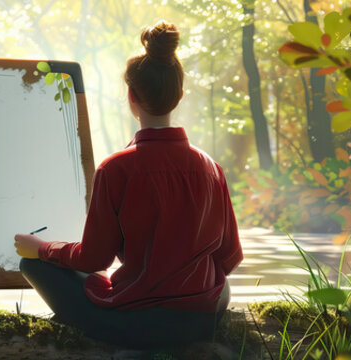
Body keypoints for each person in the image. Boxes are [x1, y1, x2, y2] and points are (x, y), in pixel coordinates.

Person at [13, 21, 243, 349]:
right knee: (219, 283)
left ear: (131, 96)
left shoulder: (115, 168)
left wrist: (43, 248)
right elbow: (229, 257)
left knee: (33, 265)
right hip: (201, 320)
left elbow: (94, 260)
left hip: (136, 324)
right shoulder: (211, 169)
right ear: (179, 96)